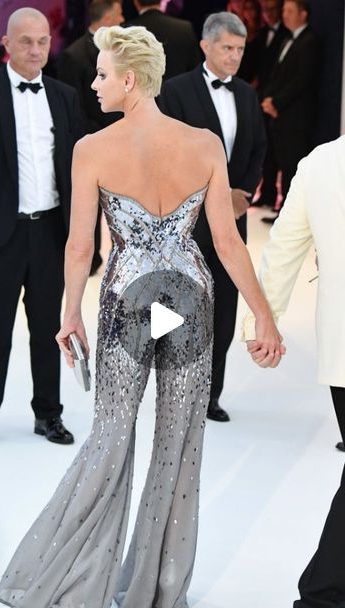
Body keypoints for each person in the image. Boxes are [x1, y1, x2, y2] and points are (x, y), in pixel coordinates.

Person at [0, 24, 282, 608]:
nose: (93, 84)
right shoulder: (203, 142)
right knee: (179, 443)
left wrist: (69, 310)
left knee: (109, 439)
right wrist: (263, 313)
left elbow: (79, 248)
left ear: (129, 79)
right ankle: (157, 592)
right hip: (190, 302)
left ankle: (61, 584)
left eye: (100, 74)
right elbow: (228, 243)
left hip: (129, 303)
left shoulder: (93, 149)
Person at [243, 135, 345, 608]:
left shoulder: (320, 162)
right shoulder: (322, 162)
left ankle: (321, 602)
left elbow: (283, 251)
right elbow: (283, 249)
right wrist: (262, 323)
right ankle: (319, 601)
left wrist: (263, 323)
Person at [160, 12, 267, 422]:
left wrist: (244, 194)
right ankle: (171, 391)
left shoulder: (246, 94)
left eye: (240, 50)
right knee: (176, 305)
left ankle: (210, 395)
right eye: (227, 48)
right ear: (206, 46)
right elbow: (164, 152)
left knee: (223, 308)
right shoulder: (174, 91)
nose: (235, 57)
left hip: (231, 222)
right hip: (184, 223)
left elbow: (258, 148)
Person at [0, 8, 83, 451]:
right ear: (6, 43)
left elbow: (77, 170)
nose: (36, 50)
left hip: (49, 233)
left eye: (43, 41)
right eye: (26, 41)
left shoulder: (63, 97)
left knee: (49, 329)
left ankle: (49, 414)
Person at [58, 0, 124, 277]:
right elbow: (74, 109)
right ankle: (92, 258)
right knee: (90, 201)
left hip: (124, 139)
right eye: (119, 15)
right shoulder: (73, 55)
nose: (122, 19)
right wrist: (101, 138)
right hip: (93, 140)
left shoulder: (122, 53)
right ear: (108, 17)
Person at [261, 0, 319, 223]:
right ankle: (284, 211)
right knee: (284, 164)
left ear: (303, 14)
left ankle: (292, 215)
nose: (284, 15)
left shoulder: (310, 41)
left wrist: (277, 102)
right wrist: (268, 98)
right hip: (282, 116)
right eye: (283, 11)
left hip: (296, 117)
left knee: (293, 166)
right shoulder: (288, 39)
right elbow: (277, 75)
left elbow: (302, 80)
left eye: (289, 11)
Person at [251, 0, 290, 213]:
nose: (269, 14)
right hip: (263, 99)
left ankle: (278, 198)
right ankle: (266, 194)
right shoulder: (262, 34)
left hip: (279, 102)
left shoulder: (288, 35)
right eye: (266, 10)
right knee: (265, 149)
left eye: (274, 10)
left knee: (279, 151)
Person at [124, 0, 201, 79]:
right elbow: (195, 69)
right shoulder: (184, 28)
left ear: (136, 2)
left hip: (142, 89)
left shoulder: (126, 31)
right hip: (179, 90)